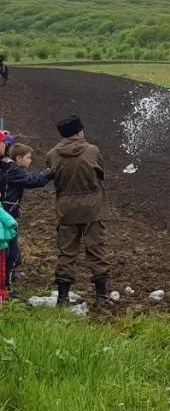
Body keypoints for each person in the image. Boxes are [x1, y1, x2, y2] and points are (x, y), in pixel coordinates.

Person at [47, 115, 112, 306]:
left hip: (66, 209)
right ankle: (101, 296)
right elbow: (101, 173)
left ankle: (63, 297)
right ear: (79, 131)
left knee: (66, 253)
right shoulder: (92, 151)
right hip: (93, 209)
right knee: (96, 250)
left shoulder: (52, 155)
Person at [1, 142, 53, 296]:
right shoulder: (13, 170)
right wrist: (50, 172)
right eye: (28, 157)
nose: (30, 160)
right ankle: (6, 288)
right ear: (18, 158)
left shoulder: (6, 166)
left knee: (11, 252)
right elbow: (33, 181)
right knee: (11, 253)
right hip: (7, 217)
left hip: (7, 214)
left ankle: (8, 282)